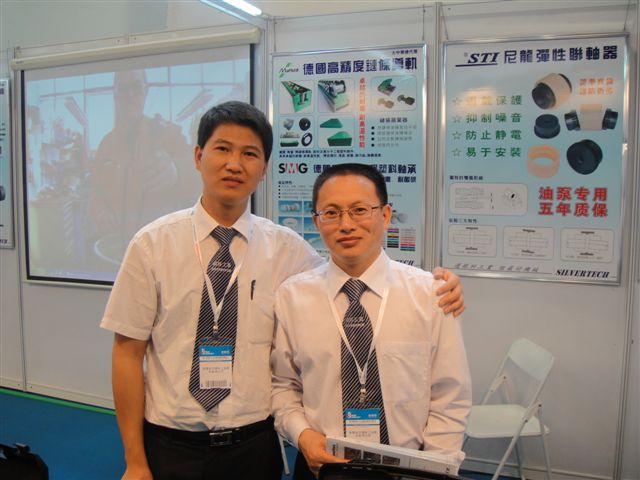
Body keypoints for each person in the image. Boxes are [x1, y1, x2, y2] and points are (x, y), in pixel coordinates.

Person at [100, 101, 465, 480]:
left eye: (249, 154)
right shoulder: (152, 245)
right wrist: (135, 460)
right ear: (198, 156)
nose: (234, 164)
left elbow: (349, 274)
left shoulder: (288, 250)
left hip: (254, 447)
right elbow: (127, 353)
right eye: (222, 148)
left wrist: (443, 286)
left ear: (263, 169)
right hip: (172, 442)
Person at [271, 163, 472, 479]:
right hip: (321, 465)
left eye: (359, 210)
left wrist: (433, 468)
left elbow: (450, 396)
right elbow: (283, 385)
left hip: (407, 470)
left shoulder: (431, 295)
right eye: (332, 213)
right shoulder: (292, 297)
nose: (346, 224)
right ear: (317, 221)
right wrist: (302, 436)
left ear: (386, 215)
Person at [91, 69, 199, 261]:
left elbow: (200, 176)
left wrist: (176, 171)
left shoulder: (169, 134)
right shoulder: (106, 145)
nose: (130, 95)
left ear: (146, 90)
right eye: (123, 88)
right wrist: (100, 210)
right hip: (121, 249)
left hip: (164, 250)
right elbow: (96, 190)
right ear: (115, 94)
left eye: (136, 86)